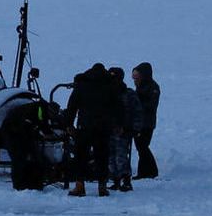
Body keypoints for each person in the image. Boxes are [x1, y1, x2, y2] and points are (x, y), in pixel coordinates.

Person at [65, 63, 120, 198]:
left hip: (84, 126)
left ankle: (80, 185)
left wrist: (68, 124)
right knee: (102, 156)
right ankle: (102, 186)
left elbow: (72, 106)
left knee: (81, 156)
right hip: (103, 127)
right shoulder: (110, 85)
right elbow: (118, 107)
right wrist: (118, 124)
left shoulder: (82, 84)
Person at [107, 67, 141, 192]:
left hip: (124, 131)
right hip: (110, 130)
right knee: (111, 157)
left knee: (121, 157)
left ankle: (126, 180)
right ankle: (115, 180)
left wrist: (134, 129)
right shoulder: (107, 93)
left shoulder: (128, 94)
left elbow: (137, 112)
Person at [131, 62, 160, 179]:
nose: (134, 80)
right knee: (141, 147)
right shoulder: (141, 87)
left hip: (147, 123)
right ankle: (146, 171)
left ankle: (149, 171)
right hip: (140, 122)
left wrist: (137, 104)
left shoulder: (153, 87)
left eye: (136, 77)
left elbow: (151, 105)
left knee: (142, 146)